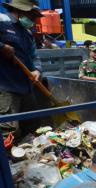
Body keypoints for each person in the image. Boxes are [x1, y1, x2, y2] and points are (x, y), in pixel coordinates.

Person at [0, 0, 43, 137]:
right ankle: (8, 158)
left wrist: (36, 70)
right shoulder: (2, 21)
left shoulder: (27, 32)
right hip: (6, 88)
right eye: (32, 16)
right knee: (9, 130)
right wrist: (2, 47)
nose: (34, 20)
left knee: (33, 126)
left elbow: (34, 56)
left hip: (26, 87)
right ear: (20, 11)